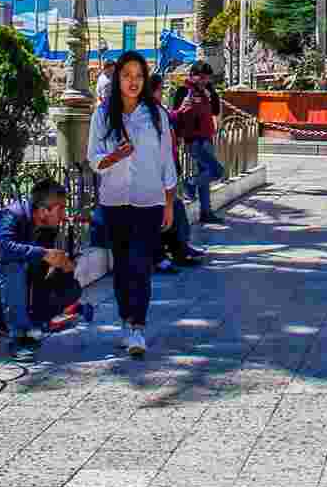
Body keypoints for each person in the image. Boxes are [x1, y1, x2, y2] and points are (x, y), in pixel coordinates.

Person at [87, 52, 178, 357]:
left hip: (148, 201)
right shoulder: (102, 116)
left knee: (141, 265)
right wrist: (116, 156)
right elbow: (94, 159)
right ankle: (126, 322)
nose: (133, 82)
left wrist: (168, 203)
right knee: (123, 267)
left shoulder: (157, 115)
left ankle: (138, 327)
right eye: (126, 75)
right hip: (114, 202)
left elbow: (167, 161)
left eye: (138, 76)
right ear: (117, 78)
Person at [0, 177, 89, 362]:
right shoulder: (10, 216)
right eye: (60, 208)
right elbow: (1, 249)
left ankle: (28, 323)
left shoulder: (47, 227)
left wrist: (64, 267)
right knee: (13, 264)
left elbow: (40, 270)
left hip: (0, 292)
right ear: (44, 210)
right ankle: (19, 338)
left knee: (69, 288)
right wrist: (43, 253)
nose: (63, 215)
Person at [149, 75, 203, 268]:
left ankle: (180, 247)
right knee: (169, 209)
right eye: (160, 88)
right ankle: (175, 250)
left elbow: (171, 122)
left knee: (174, 208)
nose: (162, 92)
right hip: (154, 172)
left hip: (164, 168)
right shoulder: (148, 110)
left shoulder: (157, 108)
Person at [171, 61, 225, 224]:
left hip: (207, 136)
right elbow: (175, 114)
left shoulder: (207, 91)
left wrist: (212, 95)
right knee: (216, 171)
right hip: (192, 139)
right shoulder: (183, 91)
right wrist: (178, 136)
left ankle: (206, 211)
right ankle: (190, 183)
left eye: (207, 78)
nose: (203, 81)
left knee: (206, 173)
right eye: (200, 77)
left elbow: (215, 110)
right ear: (192, 75)